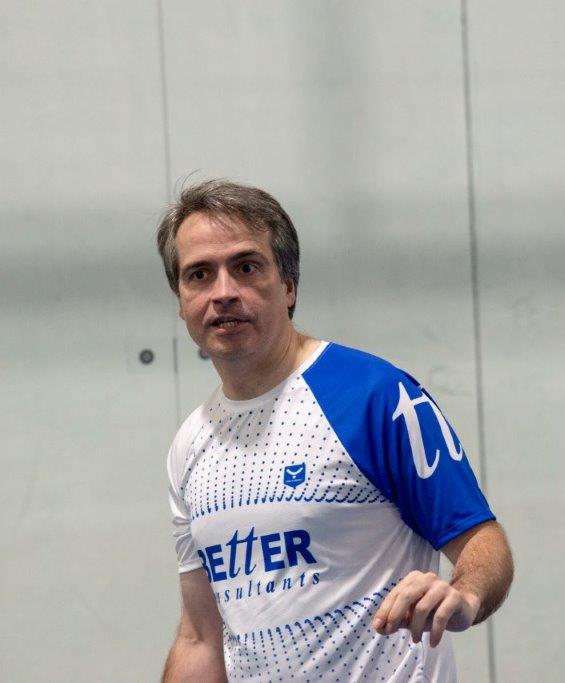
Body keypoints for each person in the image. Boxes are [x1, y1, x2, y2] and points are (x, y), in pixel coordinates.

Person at [156, 180, 513, 682]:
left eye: (246, 267)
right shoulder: (189, 446)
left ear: (288, 286)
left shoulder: (375, 396)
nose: (223, 293)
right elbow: (200, 639)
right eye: (199, 275)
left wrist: (464, 595)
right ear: (181, 301)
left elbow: (483, 540)